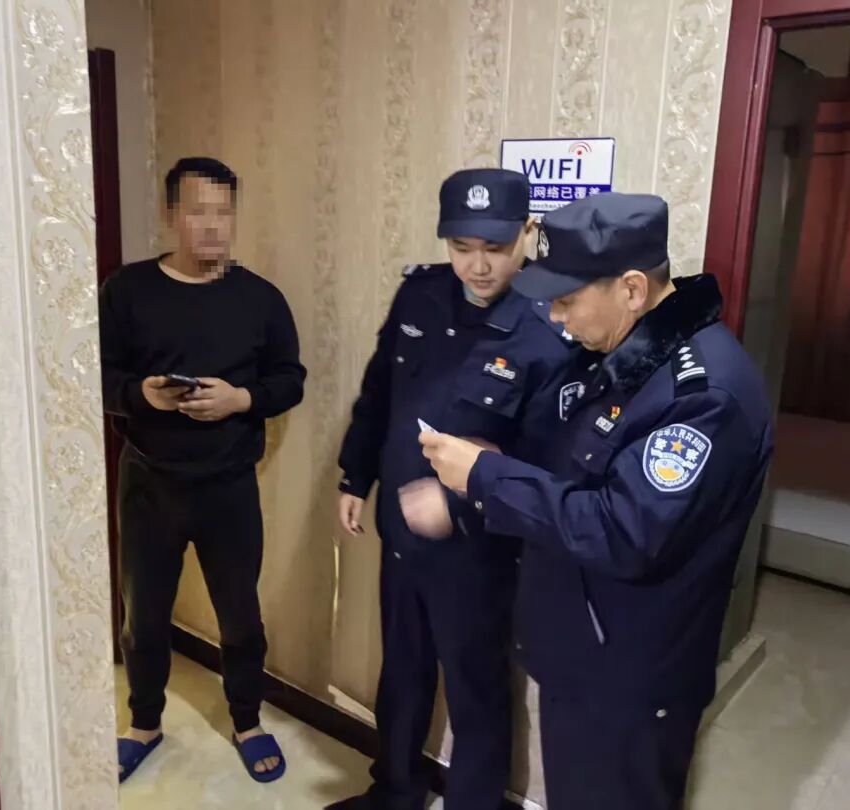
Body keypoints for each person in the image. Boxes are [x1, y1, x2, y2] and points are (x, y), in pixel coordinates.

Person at [420, 192, 774, 810]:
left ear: (632, 289)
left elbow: (623, 530)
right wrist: (494, 459)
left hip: (629, 681)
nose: (557, 318)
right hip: (581, 655)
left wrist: (486, 478)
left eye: (567, 299)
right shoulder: (622, 355)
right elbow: (575, 468)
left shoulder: (703, 396)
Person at [327, 169, 574, 810]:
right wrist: (356, 474)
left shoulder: (551, 324)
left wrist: (462, 499)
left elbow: (553, 460)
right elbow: (380, 392)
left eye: (495, 247)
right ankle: (395, 792)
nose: (478, 266)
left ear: (527, 232)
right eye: (462, 247)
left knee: (476, 691)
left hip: (480, 550)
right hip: (401, 534)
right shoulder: (422, 295)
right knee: (401, 670)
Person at [99, 157, 306, 784]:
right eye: (197, 211)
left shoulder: (260, 299)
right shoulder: (126, 291)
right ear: (171, 215)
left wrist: (240, 399)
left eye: (223, 212)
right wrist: (142, 395)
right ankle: (144, 722)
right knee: (143, 615)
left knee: (240, 614)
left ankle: (247, 719)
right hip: (149, 482)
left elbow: (289, 380)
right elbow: (96, 373)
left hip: (228, 486)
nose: (213, 225)